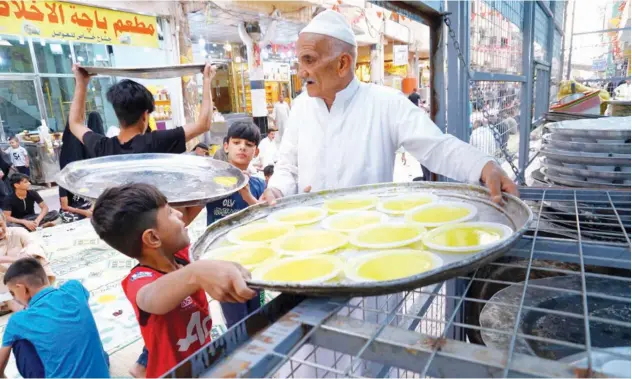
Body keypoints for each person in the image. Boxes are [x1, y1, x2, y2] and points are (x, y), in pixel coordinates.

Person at [262, 10, 517, 206]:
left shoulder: (385, 103)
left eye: (309, 60)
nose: (300, 71)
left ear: (342, 63)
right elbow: (287, 168)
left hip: (370, 238)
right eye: (300, 61)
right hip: (313, 237)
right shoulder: (300, 107)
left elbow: (436, 146)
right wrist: (276, 190)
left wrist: (484, 166)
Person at [90, 183, 255, 378]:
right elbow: (150, 298)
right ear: (152, 238)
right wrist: (196, 273)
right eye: (170, 212)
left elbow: (182, 222)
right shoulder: (140, 280)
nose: (180, 215)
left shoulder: (181, 257)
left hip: (203, 363)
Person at [68, 63, 216, 157]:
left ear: (117, 114)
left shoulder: (103, 147)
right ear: (145, 116)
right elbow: (203, 124)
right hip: (151, 207)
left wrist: (81, 82)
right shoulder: (156, 142)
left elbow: (75, 123)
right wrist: (207, 81)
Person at [201, 121, 265, 329]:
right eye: (236, 142)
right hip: (223, 258)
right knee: (235, 319)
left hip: (253, 258)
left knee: (256, 312)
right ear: (226, 146)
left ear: (256, 151)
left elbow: (265, 216)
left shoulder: (257, 183)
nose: (242, 148)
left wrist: (247, 196)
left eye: (248, 144)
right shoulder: (213, 182)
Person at [0, 258, 110, 378]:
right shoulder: (74, 288)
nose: (14, 298)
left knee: (20, 342)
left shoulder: (18, 321)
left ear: (21, 288)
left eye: (12, 293)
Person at [0, 212, 55, 314]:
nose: (0, 230)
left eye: (0, 225)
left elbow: (34, 245)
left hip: (26, 275)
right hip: (5, 286)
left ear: (4, 221)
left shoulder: (17, 232)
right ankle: (19, 306)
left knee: (38, 256)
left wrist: (19, 258)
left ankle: (44, 292)